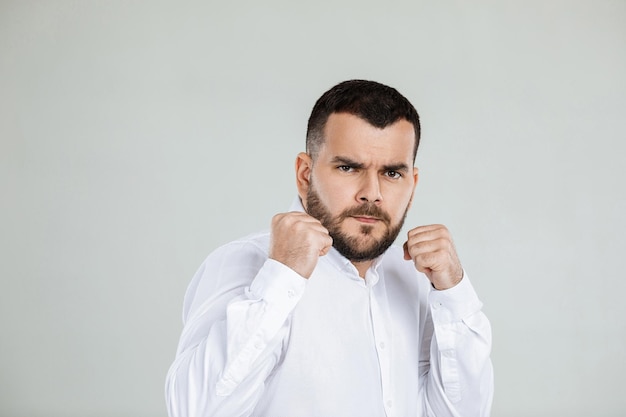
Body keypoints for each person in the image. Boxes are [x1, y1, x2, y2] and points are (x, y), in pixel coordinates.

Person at [165, 79, 494, 417]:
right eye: (348, 167)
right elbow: (196, 409)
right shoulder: (245, 263)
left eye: (392, 173)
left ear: (413, 183)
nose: (372, 193)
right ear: (305, 174)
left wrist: (455, 293)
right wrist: (281, 277)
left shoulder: (420, 280)